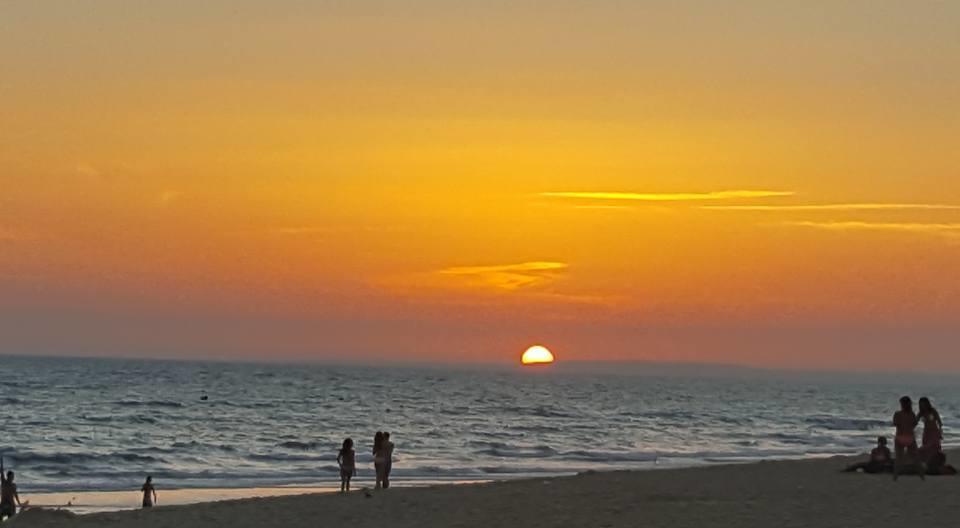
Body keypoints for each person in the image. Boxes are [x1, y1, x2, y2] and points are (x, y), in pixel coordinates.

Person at [893, 396, 924, 480]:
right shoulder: (912, 414)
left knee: (898, 459)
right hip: (910, 437)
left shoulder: (897, 414)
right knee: (916, 459)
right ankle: (922, 477)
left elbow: (895, 423)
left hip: (900, 437)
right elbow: (914, 424)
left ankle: (895, 477)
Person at [917, 397, 943, 464]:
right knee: (925, 448)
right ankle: (927, 461)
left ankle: (934, 461)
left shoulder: (933, 411)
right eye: (921, 404)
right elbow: (915, 421)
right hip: (926, 433)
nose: (923, 406)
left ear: (927, 403)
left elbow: (939, 422)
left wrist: (940, 432)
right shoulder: (921, 412)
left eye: (924, 404)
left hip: (934, 432)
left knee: (933, 447)